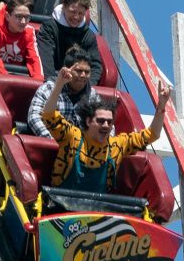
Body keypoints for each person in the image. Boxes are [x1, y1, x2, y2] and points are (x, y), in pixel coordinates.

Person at [38, 73, 171, 194]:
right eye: (101, 121)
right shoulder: (73, 137)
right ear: (89, 121)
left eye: (109, 122)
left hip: (98, 212)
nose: (106, 125)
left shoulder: (117, 145)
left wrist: (161, 107)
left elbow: (152, 134)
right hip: (61, 207)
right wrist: (59, 84)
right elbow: (48, 115)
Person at [37, 0, 105, 83]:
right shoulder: (49, 28)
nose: (76, 17)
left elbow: (95, 66)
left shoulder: (88, 35)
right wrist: (52, 84)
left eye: (80, 13)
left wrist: (87, 87)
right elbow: (45, 58)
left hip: (79, 85)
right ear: (64, 7)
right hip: (53, 82)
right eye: (73, 11)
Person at [27, 47, 98, 136]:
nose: (83, 75)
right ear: (67, 70)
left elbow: (104, 121)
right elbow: (34, 117)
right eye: (79, 71)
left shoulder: (92, 95)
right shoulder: (49, 88)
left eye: (87, 72)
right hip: (50, 144)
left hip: (81, 147)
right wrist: (50, 140)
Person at [0, 0, 43, 79]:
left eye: (27, 17)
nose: (23, 22)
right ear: (7, 16)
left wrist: (38, 83)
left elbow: (34, 60)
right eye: (19, 17)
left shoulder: (29, 31)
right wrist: (6, 80)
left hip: (19, 78)